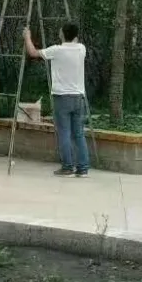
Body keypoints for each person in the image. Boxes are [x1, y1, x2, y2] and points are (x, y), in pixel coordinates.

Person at [23, 21, 90, 177]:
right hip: (79, 97)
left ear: (62, 34)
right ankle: (83, 168)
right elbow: (74, 41)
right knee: (78, 134)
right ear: (76, 36)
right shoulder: (82, 49)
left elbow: (33, 52)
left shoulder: (56, 50)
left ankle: (67, 167)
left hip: (62, 97)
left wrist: (27, 37)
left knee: (64, 133)